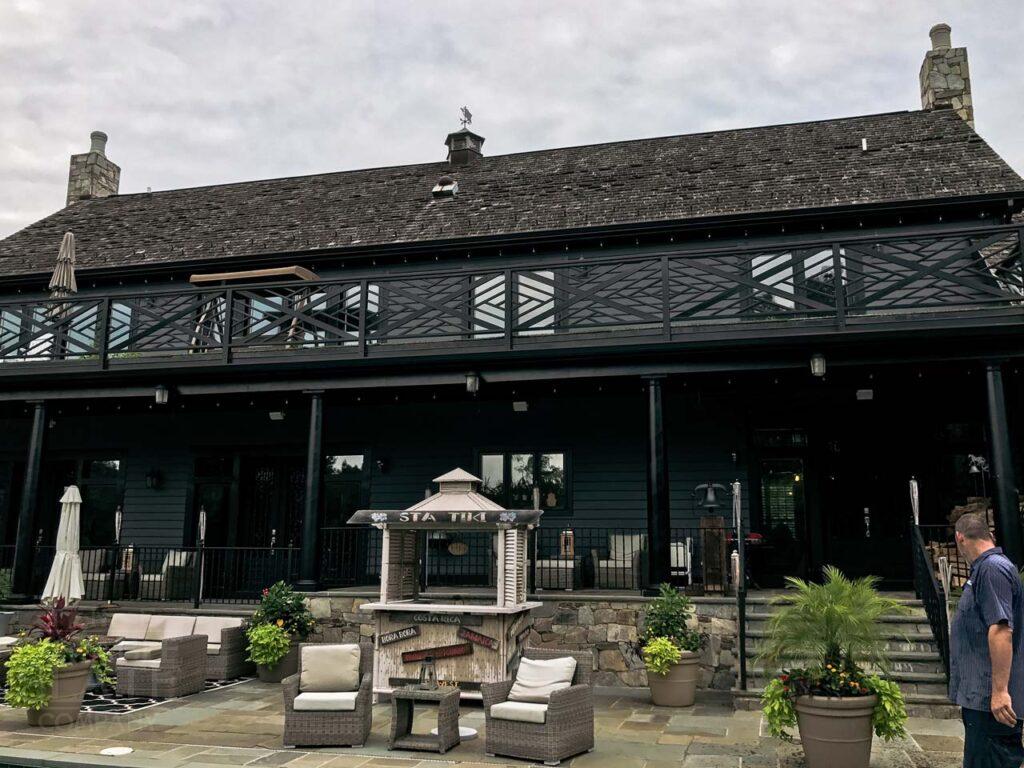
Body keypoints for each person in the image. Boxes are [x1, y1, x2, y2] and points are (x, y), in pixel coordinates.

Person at [950, 512, 1024, 767]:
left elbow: (1001, 629)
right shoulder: (985, 569)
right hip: (981, 699)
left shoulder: (991, 569)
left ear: (960, 538)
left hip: (991, 702)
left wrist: (1000, 692)